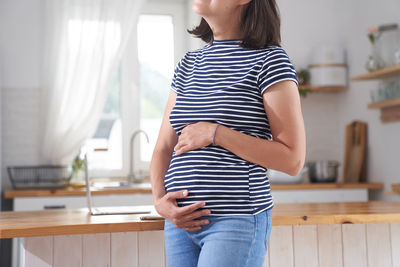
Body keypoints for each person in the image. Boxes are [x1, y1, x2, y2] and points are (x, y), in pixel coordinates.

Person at [149, 0, 306, 266]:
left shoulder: (270, 60)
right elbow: (163, 148)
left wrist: (216, 133)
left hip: (236, 220)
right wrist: (159, 200)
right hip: (180, 224)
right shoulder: (188, 65)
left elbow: (293, 160)